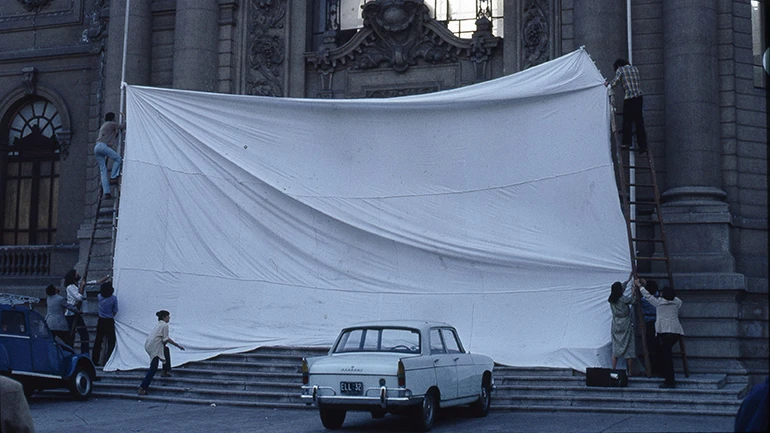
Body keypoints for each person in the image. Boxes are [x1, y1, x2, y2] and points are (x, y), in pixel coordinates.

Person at [636, 279, 684, 388]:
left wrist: (640, 286)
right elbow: (676, 299)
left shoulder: (659, 304)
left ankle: (669, 380)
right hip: (676, 332)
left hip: (665, 332)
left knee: (666, 357)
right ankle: (667, 376)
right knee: (665, 353)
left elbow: (648, 296)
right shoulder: (677, 302)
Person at [606, 58, 648, 153]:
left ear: (618, 66)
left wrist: (608, 84)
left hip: (629, 98)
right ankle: (643, 146)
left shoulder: (620, 70)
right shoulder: (635, 69)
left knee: (627, 120)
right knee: (639, 122)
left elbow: (615, 82)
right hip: (639, 97)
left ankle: (627, 142)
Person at [138, 310, 185, 396]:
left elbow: (164, 340)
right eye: (168, 316)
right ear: (164, 317)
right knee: (153, 368)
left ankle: (165, 370)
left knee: (166, 350)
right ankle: (143, 387)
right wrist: (177, 345)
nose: (169, 318)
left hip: (149, 345)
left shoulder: (159, 325)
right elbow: (165, 339)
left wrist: (174, 345)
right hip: (155, 347)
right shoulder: (165, 325)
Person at [94, 111, 125, 199]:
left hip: (97, 147)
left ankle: (106, 192)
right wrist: (125, 118)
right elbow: (122, 126)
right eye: (114, 118)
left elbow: (113, 135)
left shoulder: (104, 126)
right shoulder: (111, 124)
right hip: (103, 146)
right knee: (118, 159)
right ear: (112, 118)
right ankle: (113, 176)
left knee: (103, 170)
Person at [608, 278, 636, 376]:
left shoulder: (611, 299)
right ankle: (630, 372)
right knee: (629, 348)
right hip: (626, 323)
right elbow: (633, 301)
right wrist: (633, 292)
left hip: (616, 323)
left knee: (615, 348)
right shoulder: (624, 299)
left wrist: (627, 281)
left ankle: (613, 369)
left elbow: (619, 290)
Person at [92, 281, 119, 366]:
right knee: (111, 341)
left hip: (101, 320)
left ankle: (95, 359)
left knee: (98, 341)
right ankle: (108, 360)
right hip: (109, 320)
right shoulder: (113, 299)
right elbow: (115, 310)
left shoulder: (99, 297)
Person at [640, 279, 662, 377]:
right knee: (659, 347)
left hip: (650, 324)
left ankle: (653, 369)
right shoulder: (660, 297)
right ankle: (659, 368)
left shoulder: (644, 300)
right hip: (660, 323)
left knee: (651, 347)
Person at [64, 269, 89, 354]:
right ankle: (69, 354)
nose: (78, 274)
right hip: (71, 314)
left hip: (77, 313)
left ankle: (85, 354)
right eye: (76, 274)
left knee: (84, 335)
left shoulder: (77, 285)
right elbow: (78, 297)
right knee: (71, 336)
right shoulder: (70, 287)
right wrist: (82, 286)